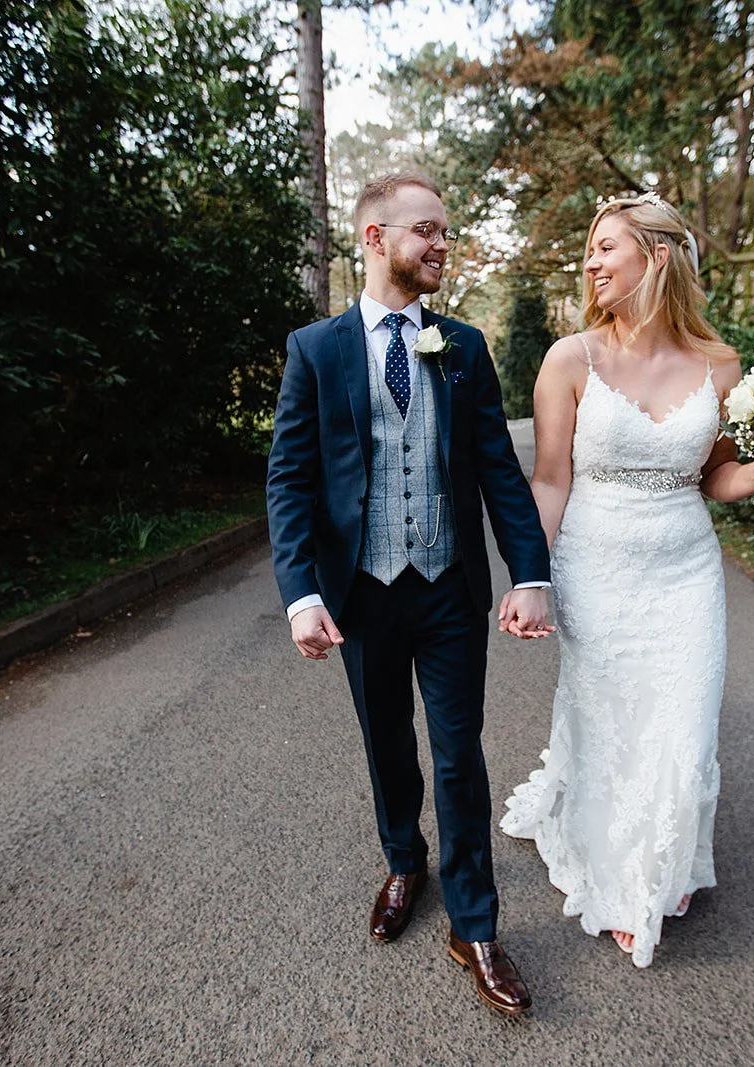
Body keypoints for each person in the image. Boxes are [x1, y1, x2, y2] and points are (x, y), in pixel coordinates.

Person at [266, 172, 555, 1015]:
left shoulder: (462, 346)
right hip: (361, 593)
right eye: (425, 230)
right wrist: (300, 593)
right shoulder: (314, 350)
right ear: (374, 238)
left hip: (447, 587)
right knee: (388, 743)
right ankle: (404, 861)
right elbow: (289, 479)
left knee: (459, 755)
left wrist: (528, 572)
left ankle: (475, 924)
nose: (440, 246)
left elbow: (499, 469)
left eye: (445, 233)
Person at [499, 193, 754, 968]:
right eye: (590, 252)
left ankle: (659, 861)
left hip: (685, 572)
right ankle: (619, 878)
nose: (592, 263)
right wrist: (529, 577)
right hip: (594, 566)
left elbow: (715, 477)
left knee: (683, 724)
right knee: (612, 724)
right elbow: (547, 480)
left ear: (660, 254)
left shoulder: (722, 365)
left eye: (607, 247)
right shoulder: (571, 358)